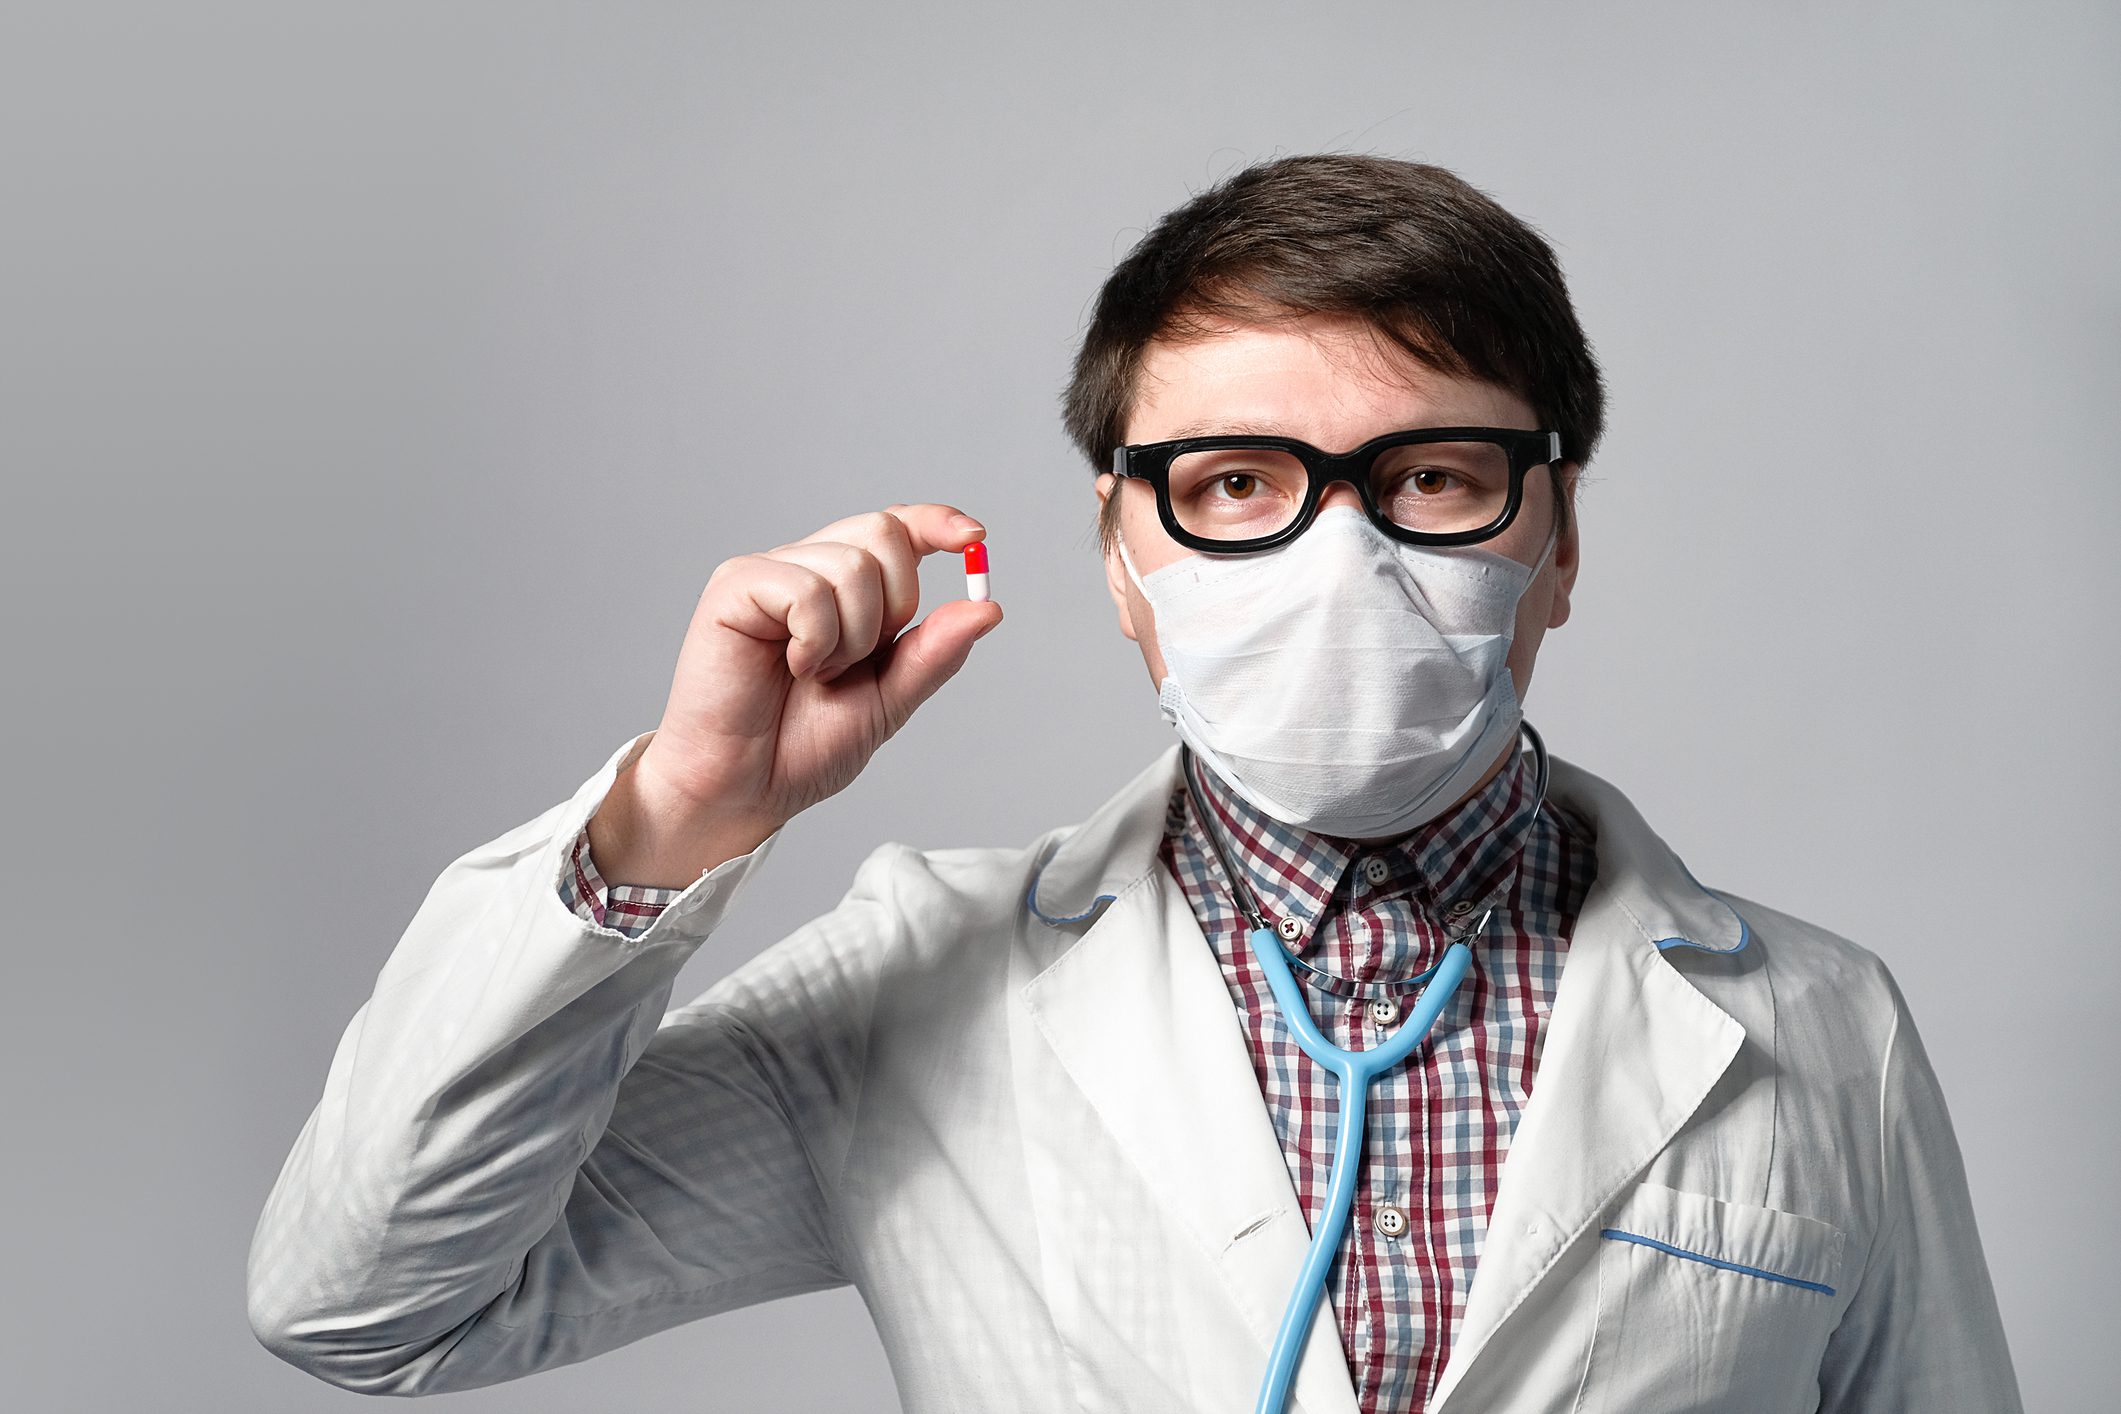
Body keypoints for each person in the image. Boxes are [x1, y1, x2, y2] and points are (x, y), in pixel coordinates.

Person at [246, 153, 2022, 1413]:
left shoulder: (1814, 1025)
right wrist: (680, 818)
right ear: (1120, 555)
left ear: (1552, 540)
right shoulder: (918, 994)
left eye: (1432, 476)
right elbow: (373, 1310)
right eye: (1237, 483)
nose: (1340, 560)